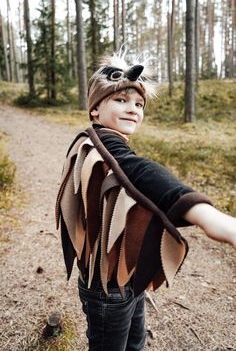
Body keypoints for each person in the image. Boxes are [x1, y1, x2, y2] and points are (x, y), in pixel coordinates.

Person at [56, 50, 236, 351]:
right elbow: (143, 173)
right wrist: (211, 218)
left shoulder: (98, 144)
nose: (133, 109)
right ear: (95, 110)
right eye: (120, 100)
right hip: (106, 286)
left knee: (135, 342)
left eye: (139, 104)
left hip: (126, 273)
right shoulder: (105, 145)